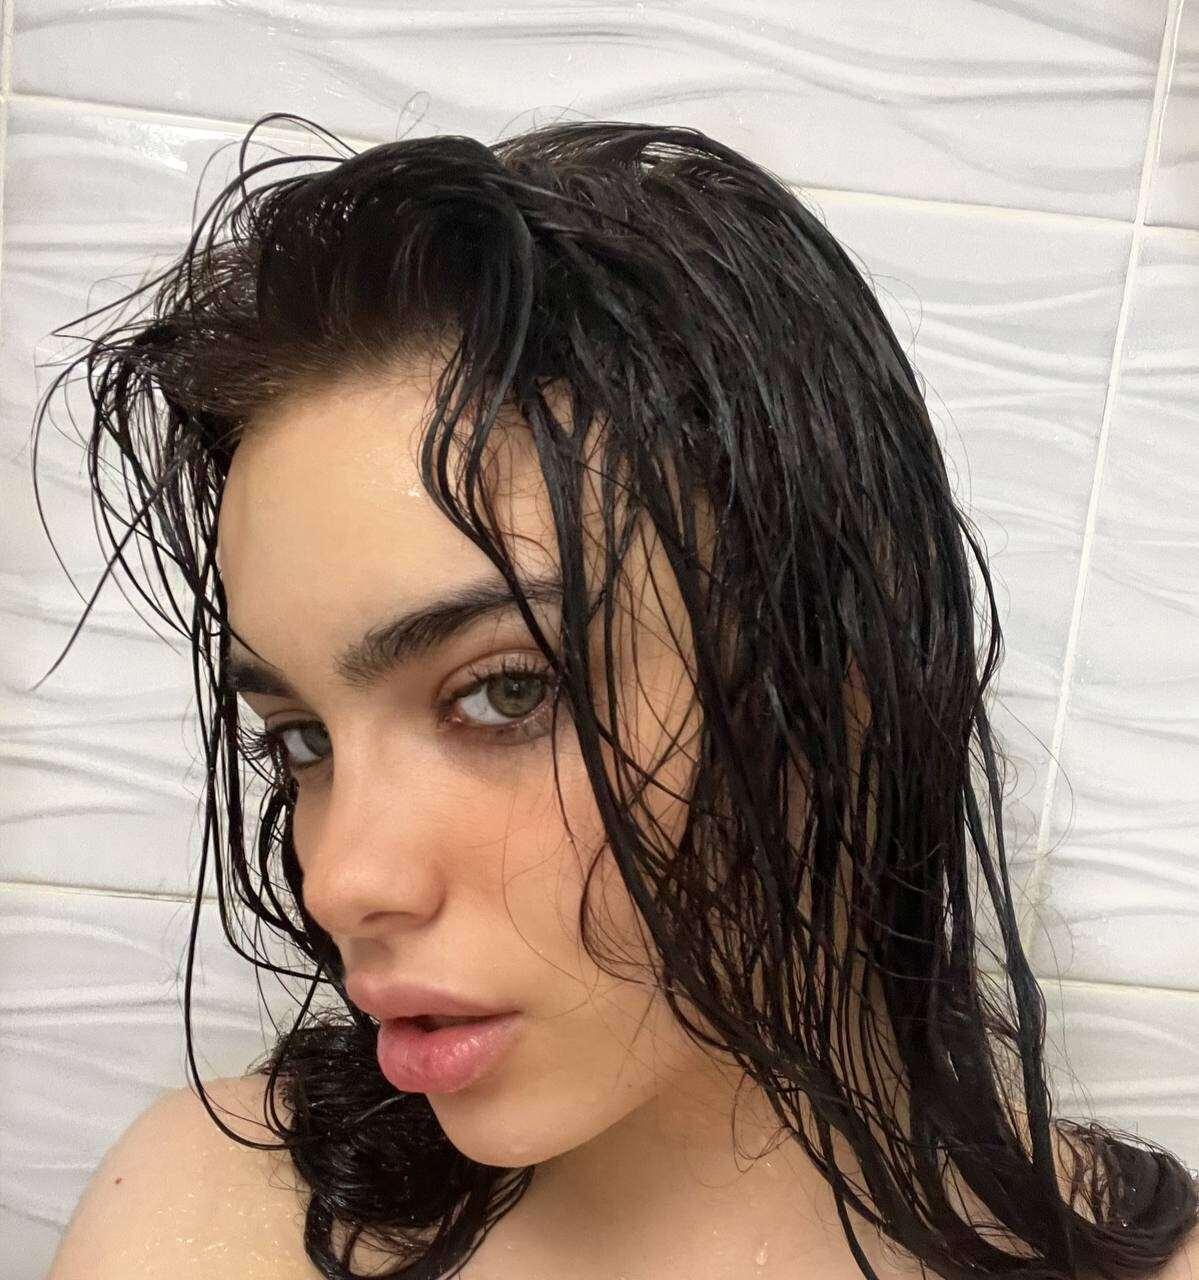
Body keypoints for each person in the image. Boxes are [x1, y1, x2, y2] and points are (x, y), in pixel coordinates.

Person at [37, 117, 1199, 1280]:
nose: (340, 880)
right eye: (300, 739)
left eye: (502, 692)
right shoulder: (199, 1215)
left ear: (841, 676)